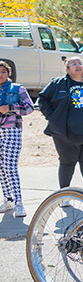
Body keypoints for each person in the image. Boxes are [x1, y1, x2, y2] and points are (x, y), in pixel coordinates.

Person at [38, 57, 83, 190]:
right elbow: (42, 99)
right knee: (67, 163)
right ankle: (64, 194)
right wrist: (52, 117)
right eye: (73, 64)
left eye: (80, 64)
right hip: (66, 135)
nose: (78, 66)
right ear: (67, 69)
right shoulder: (58, 83)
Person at [0, 61, 34, 218]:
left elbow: (29, 108)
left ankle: (19, 202)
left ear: (8, 74)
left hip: (11, 130)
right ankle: (9, 199)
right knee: (1, 168)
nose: (0, 75)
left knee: (10, 167)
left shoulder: (17, 89)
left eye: (3, 72)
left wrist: (11, 108)